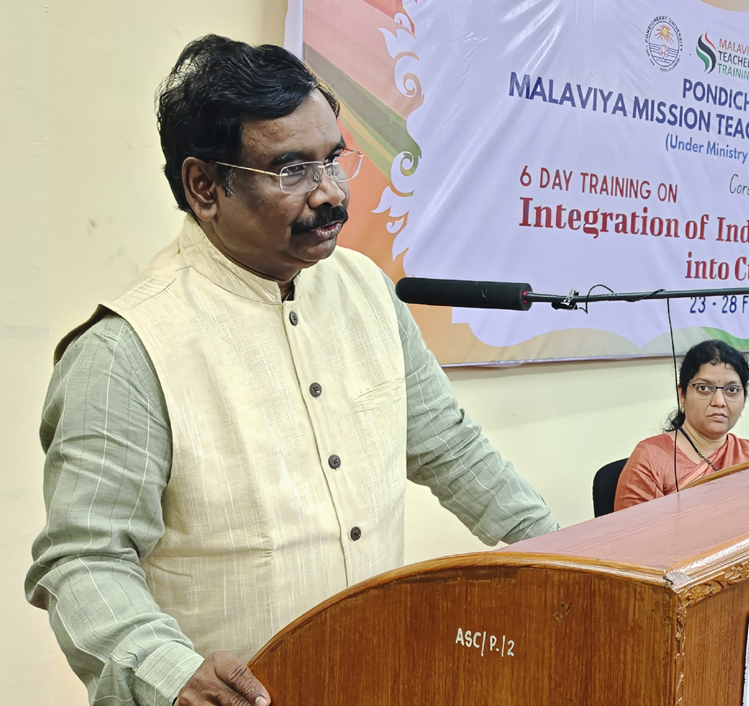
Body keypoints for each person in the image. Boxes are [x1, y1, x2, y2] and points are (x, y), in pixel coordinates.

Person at [26, 36, 557, 706]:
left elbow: (447, 446)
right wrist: (166, 671)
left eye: (333, 159)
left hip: (374, 679)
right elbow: (86, 558)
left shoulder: (367, 290)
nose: (330, 193)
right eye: (291, 170)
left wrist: (567, 555)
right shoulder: (126, 351)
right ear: (204, 187)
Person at [614, 340, 749, 511]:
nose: (719, 401)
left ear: (744, 398)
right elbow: (634, 527)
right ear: (682, 394)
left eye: (732, 390)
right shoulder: (650, 459)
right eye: (704, 388)